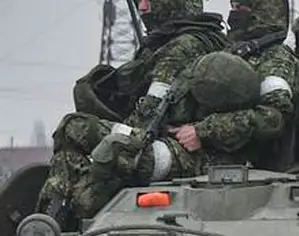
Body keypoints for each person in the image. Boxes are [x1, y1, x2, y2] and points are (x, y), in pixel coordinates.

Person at [37, 0, 229, 221]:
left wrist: (108, 134)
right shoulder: (167, 44)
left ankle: (49, 225)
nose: (142, 8)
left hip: (180, 152)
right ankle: (46, 226)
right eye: (139, 0)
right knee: (69, 158)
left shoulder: (183, 47)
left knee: (74, 127)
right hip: (162, 143)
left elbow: (149, 114)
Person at [40, 51, 265, 222]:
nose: (143, 7)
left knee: (99, 140)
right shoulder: (192, 64)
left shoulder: (252, 87)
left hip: (199, 160)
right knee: (71, 143)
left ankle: (72, 212)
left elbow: (270, 119)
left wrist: (202, 132)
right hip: (174, 145)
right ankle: (47, 225)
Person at [225, 0, 299, 169]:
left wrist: (203, 131)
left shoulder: (278, 59)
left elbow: (272, 118)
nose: (233, 14)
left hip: (259, 166)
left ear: (261, 13)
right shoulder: (233, 54)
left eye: (240, 8)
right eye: (233, 6)